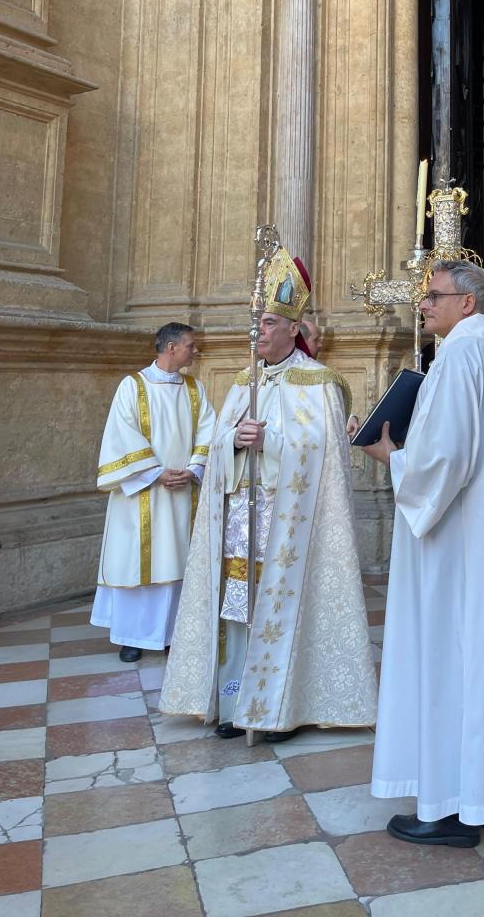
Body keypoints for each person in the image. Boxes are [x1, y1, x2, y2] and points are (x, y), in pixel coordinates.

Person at [365, 261, 484, 846]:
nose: (423, 304)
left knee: (451, 657)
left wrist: (387, 456)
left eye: (434, 296)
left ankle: (449, 809)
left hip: (456, 544)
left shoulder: (457, 360)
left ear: (468, 304)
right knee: (483, 656)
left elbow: (441, 463)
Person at [160, 245, 376, 743]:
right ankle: (237, 701)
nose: (258, 331)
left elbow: (324, 452)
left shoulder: (319, 383)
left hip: (289, 525)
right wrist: (232, 441)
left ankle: (285, 707)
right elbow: (216, 442)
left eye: (269, 323)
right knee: (238, 608)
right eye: (256, 322)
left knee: (281, 611)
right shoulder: (243, 381)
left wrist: (272, 441)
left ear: (294, 329)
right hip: (241, 519)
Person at [92, 323, 216, 663]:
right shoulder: (132, 386)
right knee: (139, 563)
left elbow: (209, 428)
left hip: (182, 492)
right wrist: (156, 473)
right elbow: (121, 433)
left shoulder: (194, 389)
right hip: (143, 493)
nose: (196, 351)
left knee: (176, 561)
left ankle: (171, 634)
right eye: (192, 345)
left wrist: (194, 468)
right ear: (172, 348)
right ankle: (132, 637)